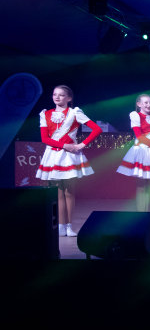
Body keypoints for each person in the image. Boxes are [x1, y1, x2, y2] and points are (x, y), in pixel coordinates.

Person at [36, 85, 102, 236]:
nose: (57, 97)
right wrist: (65, 145)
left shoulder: (75, 113)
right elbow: (45, 138)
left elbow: (96, 129)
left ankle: (69, 226)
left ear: (69, 98)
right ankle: (60, 226)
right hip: (53, 155)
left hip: (69, 157)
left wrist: (81, 145)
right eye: (54, 94)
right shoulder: (45, 114)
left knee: (69, 192)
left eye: (61, 95)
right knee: (58, 192)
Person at [116, 94, 150, 212]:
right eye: (145, 102)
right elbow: (140, 137)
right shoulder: (136, 116)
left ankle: (145, 212)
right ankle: (141, 213)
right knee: (141, 185)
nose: (149, 105)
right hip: (141, 151)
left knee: (147, 186)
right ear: (139, 104)